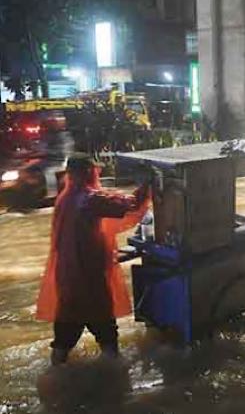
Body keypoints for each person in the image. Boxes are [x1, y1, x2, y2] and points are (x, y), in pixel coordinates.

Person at [35, 153, 150, 366]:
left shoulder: (65, 198)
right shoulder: (90, 199)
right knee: (107, 337)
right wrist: (148, 184)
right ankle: (115, 384)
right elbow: (130, 204)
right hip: (90, 279)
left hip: (67, 280)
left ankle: (55, 382)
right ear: (89, 172)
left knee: (62, 341)